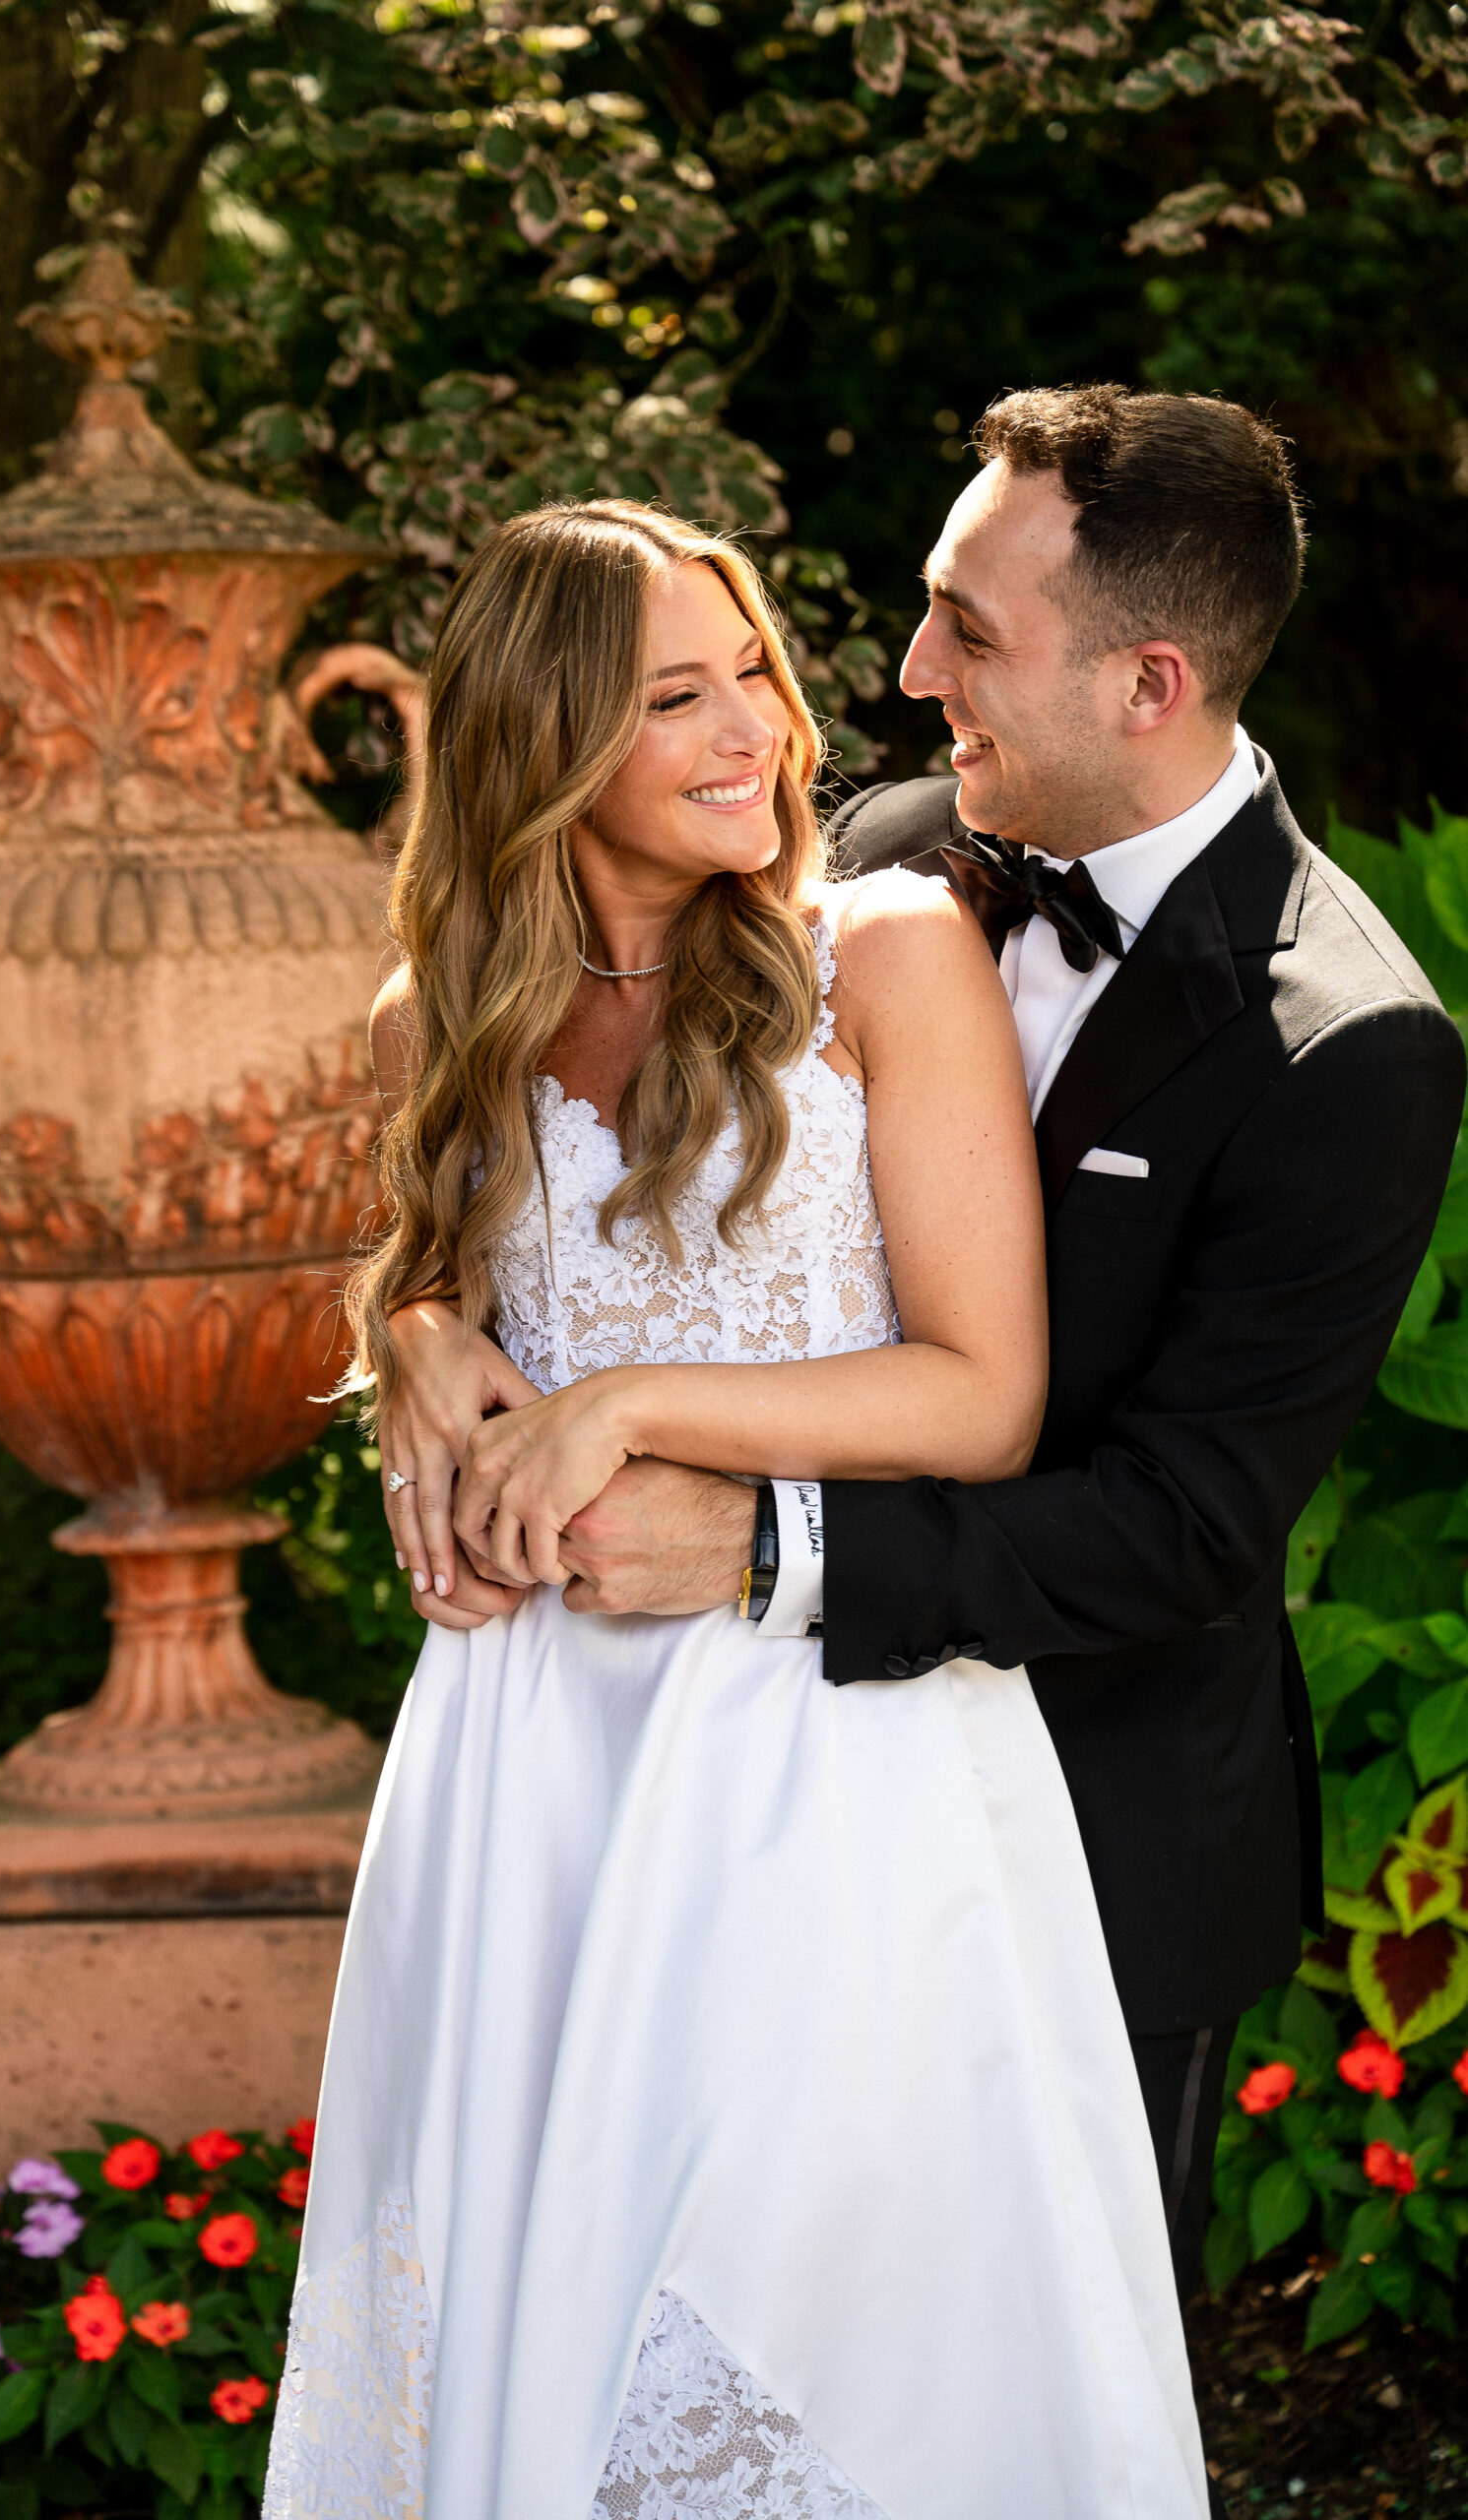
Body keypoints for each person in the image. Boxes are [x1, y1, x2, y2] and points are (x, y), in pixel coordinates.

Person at [383, 392, 1466, 2387]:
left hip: (1092, 1810)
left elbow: (1183, 1527)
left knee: (977, 2394)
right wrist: (416, 1343)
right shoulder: (867, 861)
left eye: (966, 627)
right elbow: (499, 1202)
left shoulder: (1343, 1042)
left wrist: (755, 1542)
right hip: (652, 1772)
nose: (897, 674)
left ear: (1144, 680)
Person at [264, 496, 1209, 2520]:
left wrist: (625, 1407)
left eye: (753, 674)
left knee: (821, 2318)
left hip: (828, 1754)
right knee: (538, 2323)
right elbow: (444, 1295)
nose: (755, 731)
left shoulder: (884, 955)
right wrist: (413, 1329)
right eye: (672, 697)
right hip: (527, 1763)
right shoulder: (433, 1022)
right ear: (541, 739)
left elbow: (981, 1398)